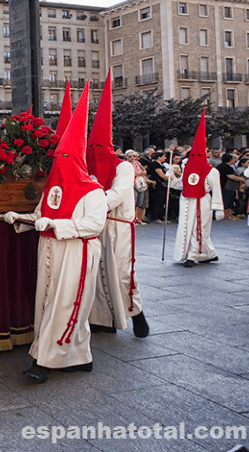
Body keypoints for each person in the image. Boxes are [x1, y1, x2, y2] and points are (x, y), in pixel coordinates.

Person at [1, 84, 105, 384]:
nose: (58, 165)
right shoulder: (53, 187)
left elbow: (94, 225)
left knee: (66, 304)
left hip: (76, 251)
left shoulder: (92, 191)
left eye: (64, 160)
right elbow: (40, 215)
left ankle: (44, 362)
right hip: (49, 249)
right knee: (47, 302)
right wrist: (20, 218)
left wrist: (57, 226)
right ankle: (77, 355)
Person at [85, 73, 148, 338]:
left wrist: (92, 205)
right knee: (98, 277)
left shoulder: (123, 167)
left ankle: (137, 315)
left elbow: (119, 194)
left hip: (119, 227)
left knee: (122, 274)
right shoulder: (88, 166)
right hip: (97, 225)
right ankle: (103, 320)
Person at [174, 111, 223, 267]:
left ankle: (195, 254)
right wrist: (171, 178)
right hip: (186, 200)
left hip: (202, 200)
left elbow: (217, 190)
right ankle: (203, 253)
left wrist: (218, 208)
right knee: (186, 228)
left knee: (200, 228)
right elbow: (182, 185)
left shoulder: (212, 171)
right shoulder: (187, 168)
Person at [216, 153, 245, 220]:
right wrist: (241, 179)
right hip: (225, 186)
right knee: (226, 201)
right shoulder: (225, 167)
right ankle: (226, 215)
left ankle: (229, 214)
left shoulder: (225, 166)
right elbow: (231, 176)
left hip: (228, 186)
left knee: (230, 202)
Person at [145, 151, 169, 222]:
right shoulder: (155, 164)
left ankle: (161, 216)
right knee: (158, 200)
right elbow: (161, 174)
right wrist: (170, 178)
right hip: (157, 183)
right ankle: (155, 216)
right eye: (163, 156)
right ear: (159, 157)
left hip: (161, 184)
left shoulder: (161, 165)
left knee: (162, 200)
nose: (165, 158)